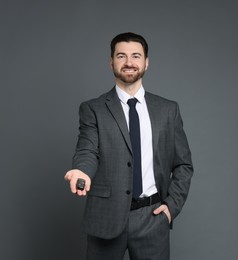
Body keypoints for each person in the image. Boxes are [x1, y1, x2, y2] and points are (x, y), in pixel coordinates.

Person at [64, 32, 193, 260]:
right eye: (121, 56)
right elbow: (88, 149)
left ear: (146, 63)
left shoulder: (168, 110)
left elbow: (183, 164)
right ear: (111, 62)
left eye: (136, 56)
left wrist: (171, 208)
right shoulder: (93, 109)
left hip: (152, 218)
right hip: (105, 218)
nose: (129, 62)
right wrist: (81, 170)